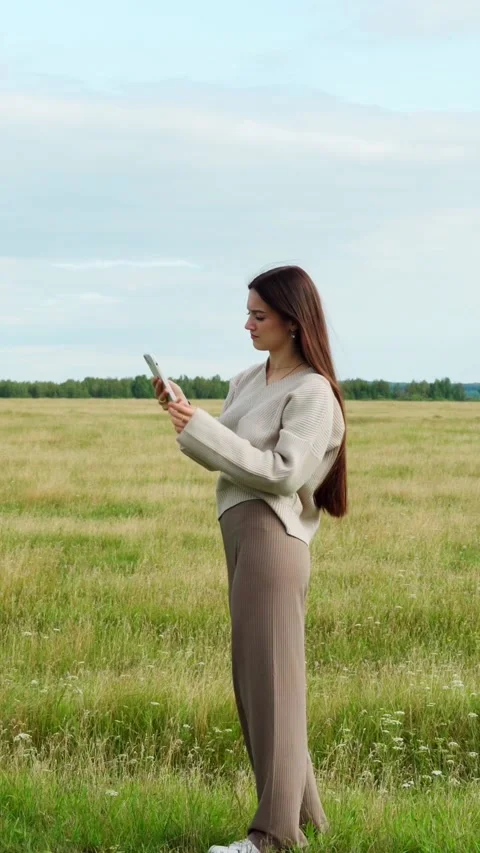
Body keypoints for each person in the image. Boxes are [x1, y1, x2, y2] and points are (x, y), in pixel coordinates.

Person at [153, 265, 347, 853]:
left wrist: (205, 429)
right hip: (239, 535)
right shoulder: (248, 380)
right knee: (262, 683)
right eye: (248, 312)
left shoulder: (313, 392)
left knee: (271, 683)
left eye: (258, 315)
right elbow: (224, 457)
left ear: (293, 321)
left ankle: (271, 838)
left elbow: (283, 474)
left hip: (272, 537)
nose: (247, 324)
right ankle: (307, 822)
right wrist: (187, 416)